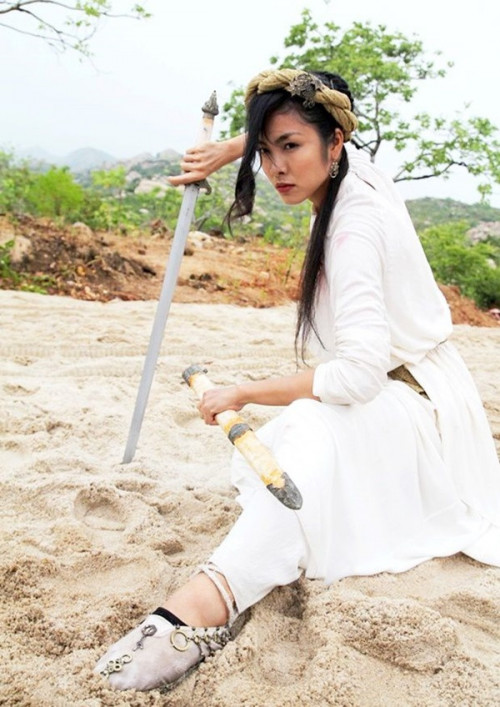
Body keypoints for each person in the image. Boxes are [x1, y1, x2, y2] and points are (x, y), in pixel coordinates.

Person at [95, 68, 500, 691]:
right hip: (415, 392)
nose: (276, 167)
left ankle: (211, 598)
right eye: (266, 151)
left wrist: (244, 393)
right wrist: (234, 147)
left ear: (335, 142)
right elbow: (306, 109)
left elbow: (359, 375)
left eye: (290, 147)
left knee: (310, 426)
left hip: (417, 407)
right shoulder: (353, 169)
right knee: (300, 458)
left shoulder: (354, 225)